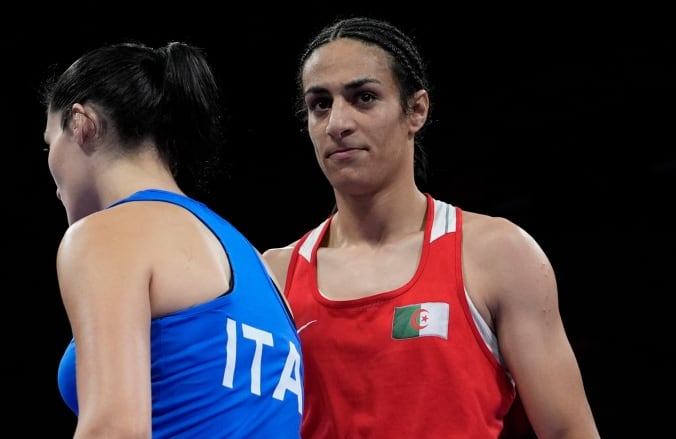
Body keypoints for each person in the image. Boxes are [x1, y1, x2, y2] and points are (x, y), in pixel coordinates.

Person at [262, 16, 600, 439]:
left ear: (416, 110)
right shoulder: (272, 277)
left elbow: (569, 431)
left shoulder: (495, 254)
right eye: (320, 104)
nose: (337, 124)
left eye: (363, 97)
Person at [41, 40, 303, 438]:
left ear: (81, 124)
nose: (51, 168)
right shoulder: (254, 261)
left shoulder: (106, 235)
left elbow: (114, 430)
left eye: (48, 143)